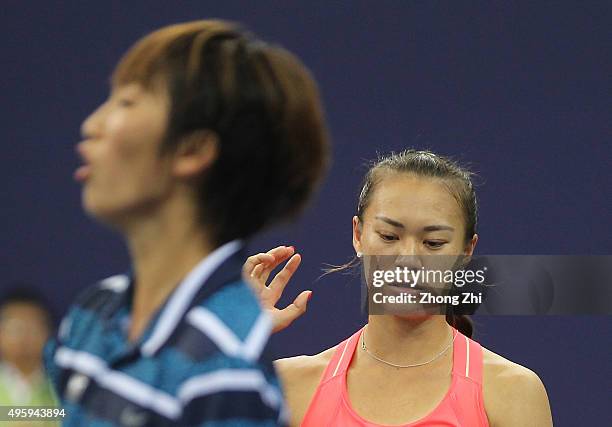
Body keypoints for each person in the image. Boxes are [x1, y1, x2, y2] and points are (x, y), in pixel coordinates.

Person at [45, 20, 329, 426]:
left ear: (192, 150)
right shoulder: (94, 309)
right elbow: (46, 414)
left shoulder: (228, 372)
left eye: (126, 102)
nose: (92, 125)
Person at [244, 149, 553, 426]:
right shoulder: (290, 388)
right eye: (389, 237)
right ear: (358, 235)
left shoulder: (511, 392)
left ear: (466, 252)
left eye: (433, 243)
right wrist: (229, 342)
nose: (408, 260)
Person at [0, 287, 57, 408]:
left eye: (33, 328)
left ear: (49, 333)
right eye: (15, 329)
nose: (25, 338)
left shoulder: (63, 389)